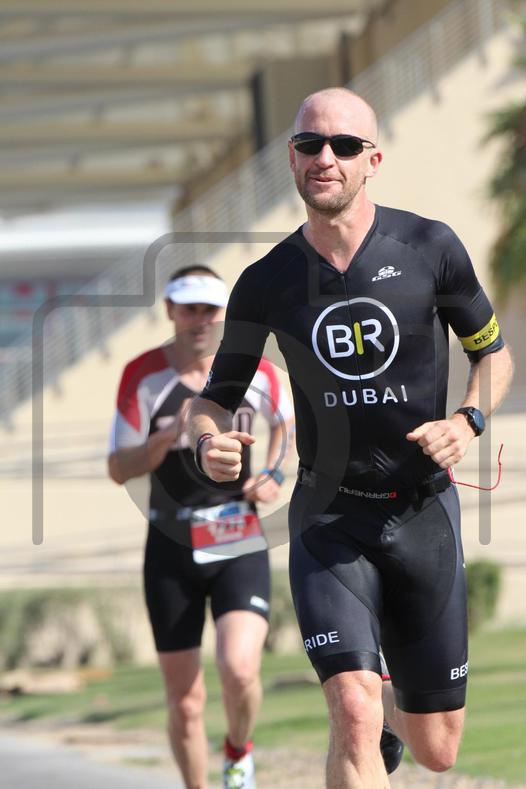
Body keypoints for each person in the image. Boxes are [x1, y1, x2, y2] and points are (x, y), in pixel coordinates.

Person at [187, 87, 514, 788]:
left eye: (343, 145)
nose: (325, 158)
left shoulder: (430, 247)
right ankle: (370, 714)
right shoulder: (266, 281)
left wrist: (467, 420)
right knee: (352, 707)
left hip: (423, 511)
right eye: (309, 145)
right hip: (328, 517)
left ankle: (395, 712)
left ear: (374, 160)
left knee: (437, 748)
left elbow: (493, 356)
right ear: (292, 159)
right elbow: (213, 400)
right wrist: (208, 441)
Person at [108, 265, 294, 789]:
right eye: (189, 309)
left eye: (210, 310)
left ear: (222, 314)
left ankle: (238, 749)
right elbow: (118, 467)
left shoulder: (253, 369)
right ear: (170, 311)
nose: (200, 321)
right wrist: (164, 440)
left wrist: (274, 474)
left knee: (240, 669)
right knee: (186, 701)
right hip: (170, 542)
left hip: (236, 535)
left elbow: (286, 425)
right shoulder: (143, 375)